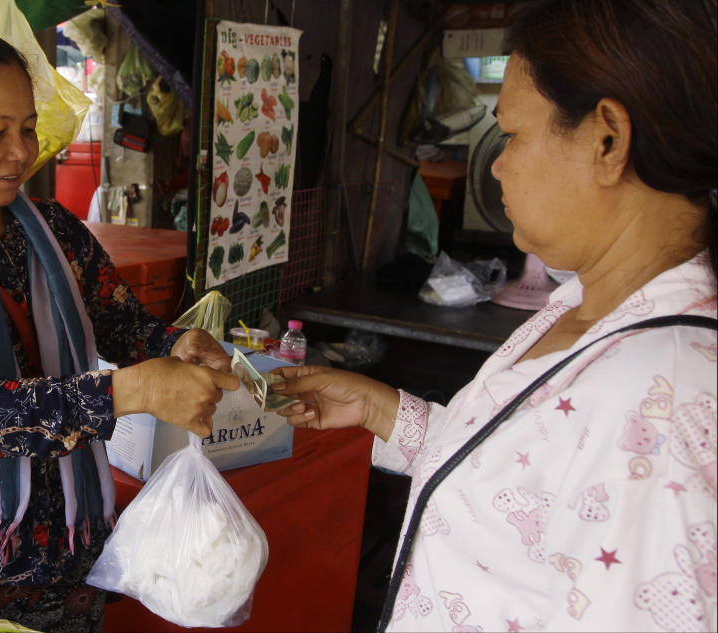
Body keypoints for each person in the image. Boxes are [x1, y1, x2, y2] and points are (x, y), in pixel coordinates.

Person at [273, 1, 717, 630]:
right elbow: (529, 483)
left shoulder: (662, 405)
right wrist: (382, 413)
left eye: (512, 134)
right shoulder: (583, 300)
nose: (500, 164)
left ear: (607, 139)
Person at [0, 30, 238, 633]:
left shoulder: (55, 230)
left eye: (28, 129)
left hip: (69, 542)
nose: (21, 152)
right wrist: (130, 391)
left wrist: (174, 346)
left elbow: (119, 321)